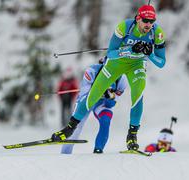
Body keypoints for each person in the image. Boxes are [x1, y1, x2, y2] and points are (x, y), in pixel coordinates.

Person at [51, 4, 166, 151]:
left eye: (152, 21)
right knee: (93, 94)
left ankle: (132, 135)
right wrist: (131, 49)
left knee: (138, 93)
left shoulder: (157, 33)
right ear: (138, 18)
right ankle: (69, 128)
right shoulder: (124, 27)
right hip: (116, 64)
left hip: (136, 65)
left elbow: (162, 63)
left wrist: (149, 53)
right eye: (145, 20)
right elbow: (111, 53)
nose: (149, 25)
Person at [61, 57, 128, 154]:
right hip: (86, 101)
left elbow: (111, 104)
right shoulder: (92, 70)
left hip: (101, 103)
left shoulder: (122, 79)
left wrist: (110, 97)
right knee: (77, 126)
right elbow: (84, 94)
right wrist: (100, 91)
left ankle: (98, 149)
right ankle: (65, 153)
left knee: (106, 120)